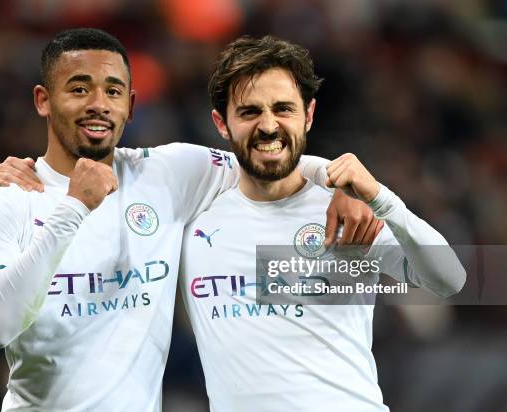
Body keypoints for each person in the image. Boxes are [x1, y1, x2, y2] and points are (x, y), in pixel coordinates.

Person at [0, 28, 380, 410]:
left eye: (113, 91)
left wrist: (336, 181)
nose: (98, 105)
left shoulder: (168, 173)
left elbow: (264, 152)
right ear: (43, 100)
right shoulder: (2, 203)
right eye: (79, 89)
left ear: (130, 105)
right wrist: (74, 208)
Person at [179, 35, 466, 411]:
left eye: (284, 109)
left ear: (308, 115)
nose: (268, 126)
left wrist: (382, 200)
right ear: (222, 123)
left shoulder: (347, 212)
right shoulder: (193, 220)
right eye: (250, 112)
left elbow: (450, 280)